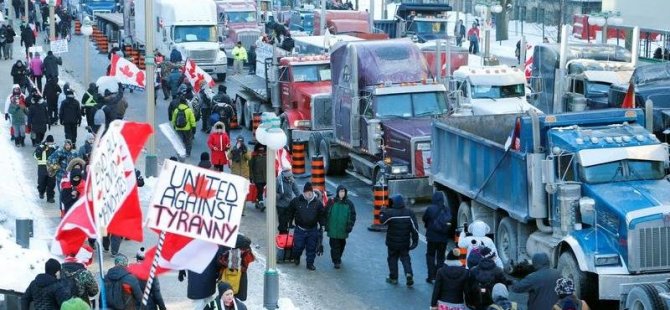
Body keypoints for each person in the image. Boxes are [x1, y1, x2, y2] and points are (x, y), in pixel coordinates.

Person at [381, 194, 419, 286]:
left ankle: (393, 278)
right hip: (404, 243)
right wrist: (415, 241)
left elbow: (383, 221)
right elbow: (415, 228)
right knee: (405, 258)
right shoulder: (409, 213)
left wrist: (382, 212)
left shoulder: (390, 213)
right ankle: (408, 274)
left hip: (392, 243)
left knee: (392, 259)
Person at [287, 182, 326, 270]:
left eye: (310, 192)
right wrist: (290, 221)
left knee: (311, 248)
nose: (309, 193)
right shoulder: (297, 201)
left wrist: (323, 225)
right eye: (307, 192)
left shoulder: (318, 203)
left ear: (312, 192)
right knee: (298, 246)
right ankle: (296, 257)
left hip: (312, 230)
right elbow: (290, 210)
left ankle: (310, 264)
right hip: (300, 229)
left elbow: (321, 215)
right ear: (304, 192)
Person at [422, 191, 452, 283]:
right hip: (443, 238)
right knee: (441, 257)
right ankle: (440, 277)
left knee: (430, 256)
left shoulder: (430, 209)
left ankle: (431, 276)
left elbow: (424, 218)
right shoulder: (446, 209)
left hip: (432, 237)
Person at [325, 185, 356, 269]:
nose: (342, 193)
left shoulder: (349, 203)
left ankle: (338, 257)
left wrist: (350, 225)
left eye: (343, 192)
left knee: (342, 244)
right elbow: (326, 213)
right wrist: (325, 225)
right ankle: (336, 261)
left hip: (343, 229)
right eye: (340, 191)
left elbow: (352, 216)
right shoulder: (331, 202)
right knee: (334, 246)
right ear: (337, 192)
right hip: (333, 229)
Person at [171, 89, 196, 157]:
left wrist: (174, 126)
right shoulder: (188, 110)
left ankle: (181, 152)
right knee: (188, 141)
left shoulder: (176, 110)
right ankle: (188, 153)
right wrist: (193, 127)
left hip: (178, 127)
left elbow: (173, 119)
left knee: (180, 140)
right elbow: (192, 120)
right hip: (187, 128)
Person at [277, 163, 300, 233]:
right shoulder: (278, 180)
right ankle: (282, 231)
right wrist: (280, 195)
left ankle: (286, 227)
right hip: (280, 204)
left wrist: (300, 198)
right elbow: (273, 192)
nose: (288, 177)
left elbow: (296, 190)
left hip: (289, 203)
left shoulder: (291, 179)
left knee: (288, 217)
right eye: (287, 176)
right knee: (282, 219)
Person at [34, 134, 57, 202]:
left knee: (51, 183)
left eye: (51, 142)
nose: (50, 144)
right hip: (42, 167)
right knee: (41, 182)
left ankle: (50, 197)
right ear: (46, 141)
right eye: (49, 142)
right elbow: (35, 156)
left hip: (52, 167)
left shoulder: (55, 148)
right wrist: (39, 151)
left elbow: (59, 157)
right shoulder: (41, 147)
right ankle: (41, 191)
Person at [249, 142, 267, 210]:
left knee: (260, 191)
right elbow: (251, 167)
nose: (261, 149)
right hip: (257, 177)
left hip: (265, 177)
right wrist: (251, 176)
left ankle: (257, 201)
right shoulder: (254, 156)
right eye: (260, 148)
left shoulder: (267, 155)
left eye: (262, 148)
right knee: (260, 190)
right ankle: (261, 203)